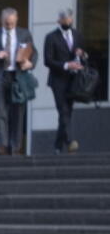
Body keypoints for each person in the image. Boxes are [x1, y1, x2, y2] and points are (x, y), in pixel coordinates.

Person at [0, 7, 35, 155]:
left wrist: (30, 64)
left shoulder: (24, 34)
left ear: (16, 20)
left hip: (18, 77)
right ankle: (2, 145)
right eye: (6, 23)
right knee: (0, 112)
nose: (9, 25)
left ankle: (15, 146)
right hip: (0, 76)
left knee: (18, 113)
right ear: (1, 21)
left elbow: (33, 53)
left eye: (11, 23)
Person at [43, 8, 87, 154]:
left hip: (73, 80)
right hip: (57, 80)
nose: (67, 22)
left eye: (69, 19)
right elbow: (48, 60)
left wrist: (82, 55)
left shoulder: (77, 35)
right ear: (59, 21)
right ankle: (69, 141)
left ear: (72, 19)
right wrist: (67, 65)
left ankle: (57, 146)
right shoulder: (51, 37)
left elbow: (85, 55)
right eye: (64, 20)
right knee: (63, 110)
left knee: (67, 113)